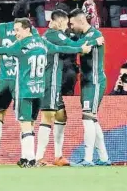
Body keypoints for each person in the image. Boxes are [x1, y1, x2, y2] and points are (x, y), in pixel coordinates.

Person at [0, 17, 91, 168]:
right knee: (31, 125)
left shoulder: (21, 46)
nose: (15, 34)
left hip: (25, 91)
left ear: (27, 29)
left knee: (25, 126)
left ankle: (29, 159)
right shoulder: (42, 42)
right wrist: (80, 49)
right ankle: (26, 158)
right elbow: (62, 49)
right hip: (39, 91)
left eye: (17, 30)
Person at [35, 10, 104, 167]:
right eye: (66, 24)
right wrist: (94, 41)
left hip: (54, 82)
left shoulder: (51, 36)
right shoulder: (54, 33)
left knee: (61, 117)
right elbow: (74, 45)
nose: (67, 27)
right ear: (59, 22)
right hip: (49, 81)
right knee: (47, 117)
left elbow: (69, 41)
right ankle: (38, 158)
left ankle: (58, 156)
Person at [0, 0, 38, 167]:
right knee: (25, 120)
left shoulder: (3, 27)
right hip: (21, 80)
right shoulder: (30, 30)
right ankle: (25, 156)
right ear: (28, 16)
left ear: (13, 13)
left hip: (5, 79)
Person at [68, 8, 111, 167]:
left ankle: (88, 159)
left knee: (88, 118)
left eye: (72, 24)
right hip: (86, 82)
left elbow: (79, 46)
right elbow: (75, 43)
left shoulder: (95, 35)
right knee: (92, 119)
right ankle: (104, 158)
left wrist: (92, 42)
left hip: (95, 82)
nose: (71, 27)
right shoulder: (85, 37)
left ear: (80, 21)